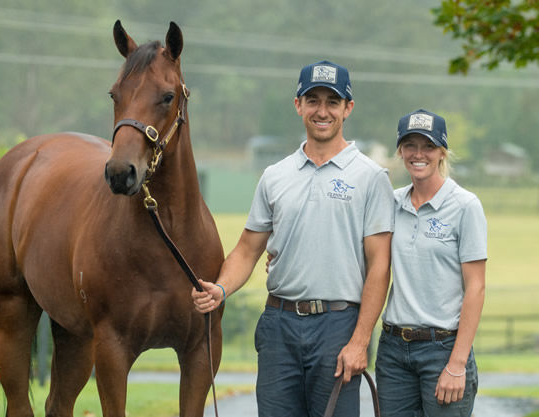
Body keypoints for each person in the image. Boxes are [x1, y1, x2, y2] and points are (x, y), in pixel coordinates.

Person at [192, 60, 394, 417]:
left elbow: (380, 265)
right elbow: (247, 249)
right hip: (279, 325)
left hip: (338, 325)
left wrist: (360, 341)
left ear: (348, 108)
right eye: (312, 99)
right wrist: (220, 289)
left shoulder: (371, 177)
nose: (322, 110)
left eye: (332, 102)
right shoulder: (275, 175)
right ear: (298, 104)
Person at [375, 109, 487, 417]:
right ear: (400, 150)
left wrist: (457, 363)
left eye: (428, 146)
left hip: (443, 349)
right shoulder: (391, 202)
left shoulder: (465, 206)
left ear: (442, 151)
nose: (418, 154)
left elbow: (475, 288)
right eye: (410, 145)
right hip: (393, 350)